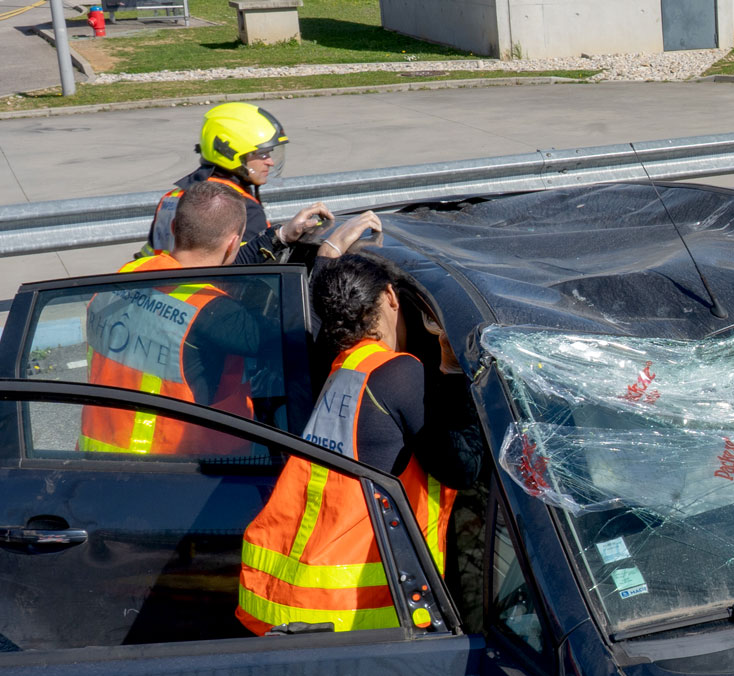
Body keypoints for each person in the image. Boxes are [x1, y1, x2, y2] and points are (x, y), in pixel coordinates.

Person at [236, 252, 485, 635]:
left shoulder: (341, 369)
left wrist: (325, 257)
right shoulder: (398, 373)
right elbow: (462, 468)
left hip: (304, 601)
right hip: (369, 612)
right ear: (389, 295)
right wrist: (452, 367)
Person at [81, 181, 264, 456]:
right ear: (233, 243)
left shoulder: (127, 274)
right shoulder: (213, 311)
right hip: (172, 476)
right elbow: (293, 337)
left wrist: (278, 238)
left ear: (174, 227)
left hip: (93, 459)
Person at [148, 102, 336, 265]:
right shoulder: (238, 207)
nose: (269, 161)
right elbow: (248, 272)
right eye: (261, 153)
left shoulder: (171, 198)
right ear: (230, 153)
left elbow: (150, 256)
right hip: (210, 299)